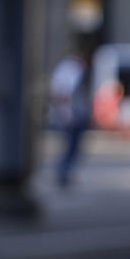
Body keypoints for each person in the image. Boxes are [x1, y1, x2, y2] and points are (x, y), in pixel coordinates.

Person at [49, 48, 92, 188]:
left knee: (70, 145)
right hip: (72, 114)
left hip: (70, 113)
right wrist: (66, 112)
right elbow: (65, 92)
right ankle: (63, 173)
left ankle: (64, 173)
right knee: (71, 146)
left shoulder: (64, 68)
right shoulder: (72, 68)